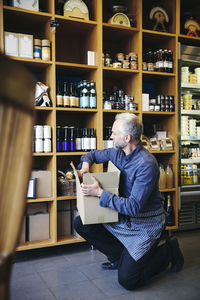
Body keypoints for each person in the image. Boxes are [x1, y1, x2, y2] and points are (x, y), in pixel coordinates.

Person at [73, 113, 184, 290]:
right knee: (81, 223)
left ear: (127, 137)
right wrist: (85, 166)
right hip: (123, 217)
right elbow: (92, 155)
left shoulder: (146, 164)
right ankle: (118, 257)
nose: (110, 136)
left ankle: (168, 251)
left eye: (114, 133)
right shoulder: (118, 153)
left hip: (145, 224)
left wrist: (100, 193)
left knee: (128, 281)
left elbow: (134, 207)